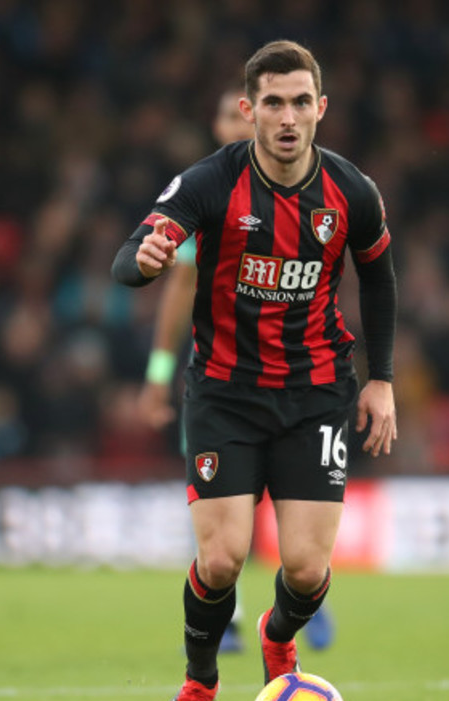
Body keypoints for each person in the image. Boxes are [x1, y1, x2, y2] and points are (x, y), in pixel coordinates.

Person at [111, 40, 397, 701]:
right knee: (220, 562)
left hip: (316, 392)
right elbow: (132, 255)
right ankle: (199, 681)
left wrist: (383, 380)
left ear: (321, 108)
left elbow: (379, 277)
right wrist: (143, 260)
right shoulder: (210, 182)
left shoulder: (352, 192)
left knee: (305, 569)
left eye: (301, 102)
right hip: (226, 394)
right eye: (273, 102)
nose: (288, 117)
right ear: (250, 110)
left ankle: (278, 637)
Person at [138, 86, 336, 654]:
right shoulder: (205, 196)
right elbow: (179, 288)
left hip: (294, 380)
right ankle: (231, 615)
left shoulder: (306, 191)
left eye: (241, 114)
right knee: (223, 506)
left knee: (293, 497)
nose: (235, 126)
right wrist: (158, 373)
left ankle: (306, 598)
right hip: (220, 382)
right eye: (226, 115)